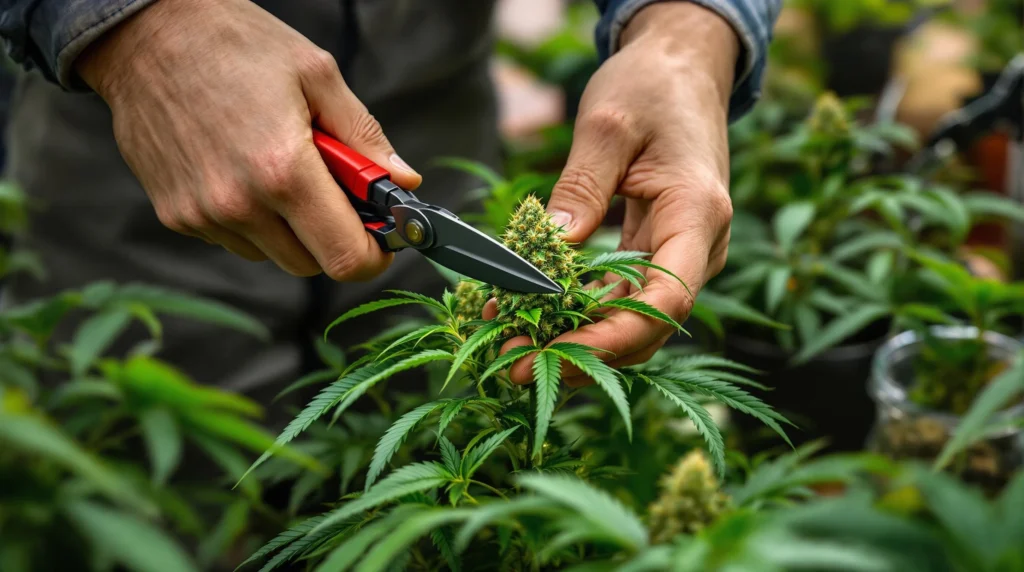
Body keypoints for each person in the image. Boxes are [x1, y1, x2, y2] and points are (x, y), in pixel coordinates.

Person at [0, 0, 779, 400]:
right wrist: (132, 28)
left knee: (423, 434)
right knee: (126, 475)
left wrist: (686, 36)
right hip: (118, 161)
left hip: (435, 139)